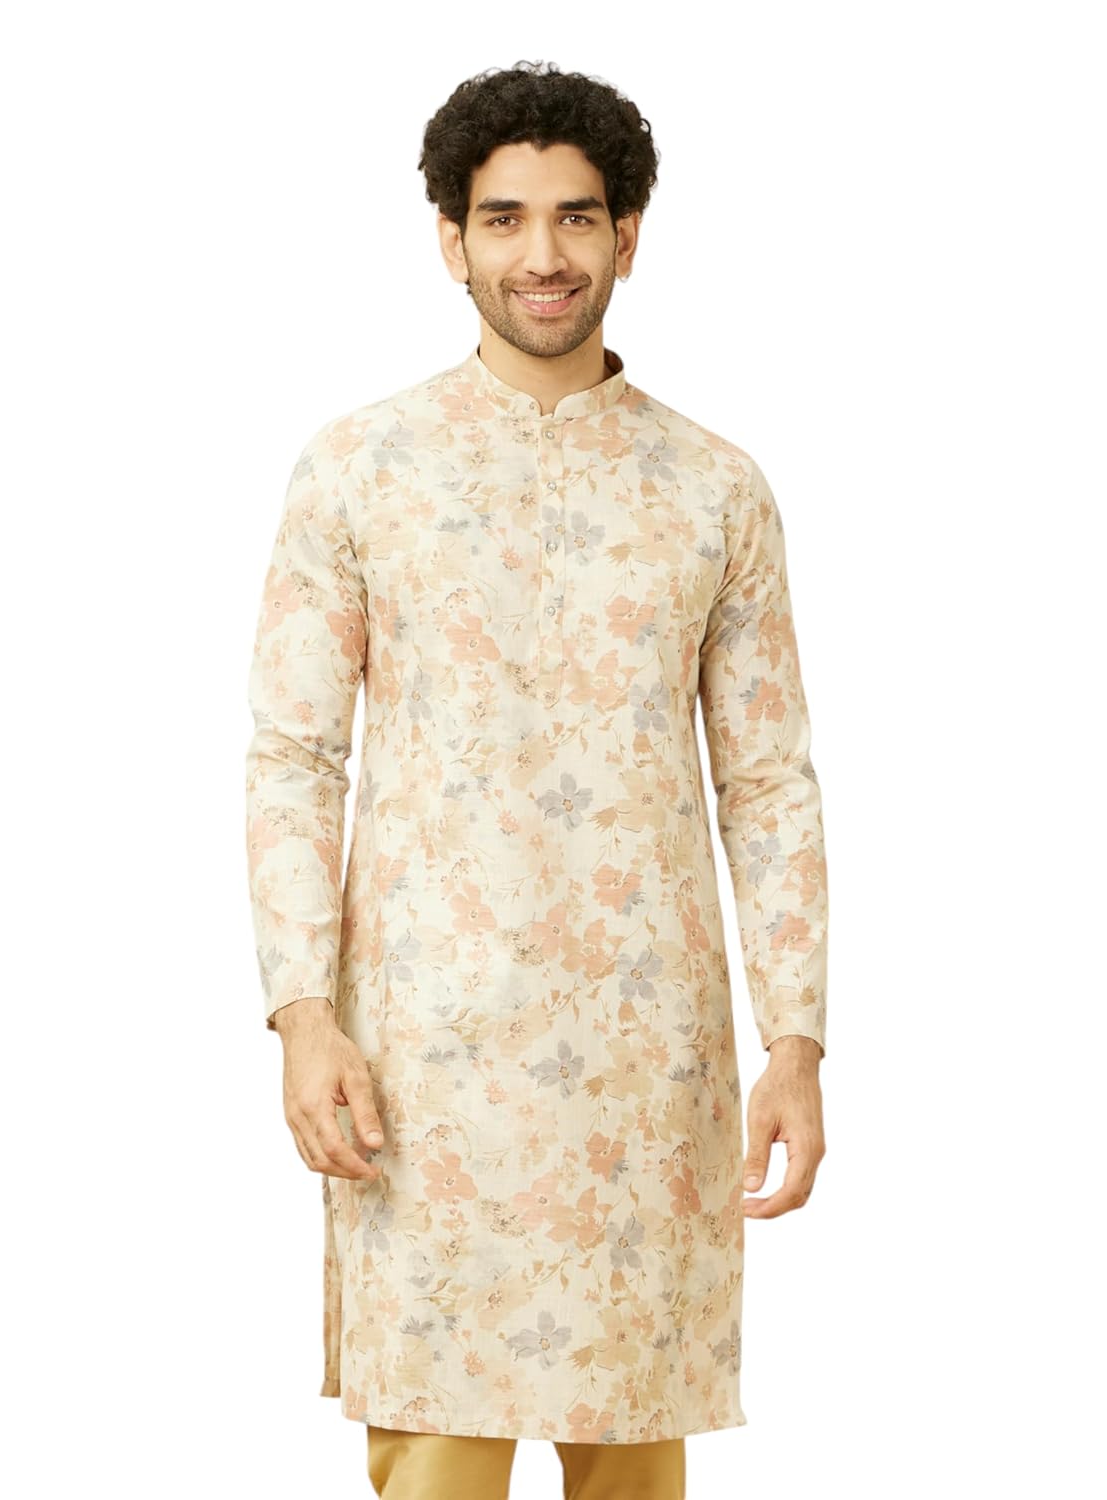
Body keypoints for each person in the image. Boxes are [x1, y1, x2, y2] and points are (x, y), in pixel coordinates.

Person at [244, 59, 828, 1500]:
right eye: (503, 219)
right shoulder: (361, 468)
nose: (543, 254)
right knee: (436, 1463)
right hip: (424, 1065)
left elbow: (767, 781)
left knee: (632, 1463)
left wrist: (796, 1041)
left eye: (575, 217)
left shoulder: (713, 488)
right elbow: (295, 756)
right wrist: (302, 1013)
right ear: (451, 241)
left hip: (647, 1072)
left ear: (628, 234)